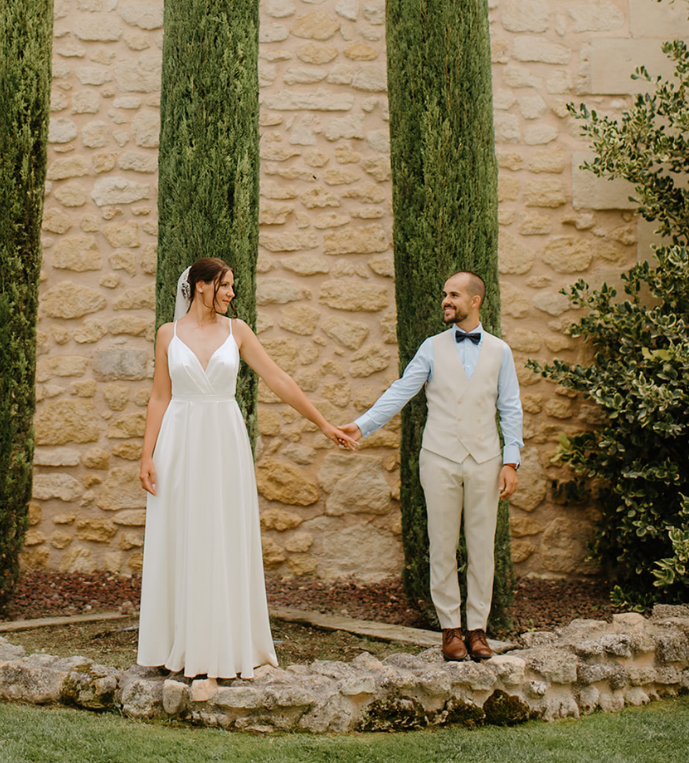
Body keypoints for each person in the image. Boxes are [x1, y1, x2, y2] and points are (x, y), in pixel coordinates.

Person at [137, 257, 357, 681]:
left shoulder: (237, 332)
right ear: (200, 286)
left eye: (232, 286)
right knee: (181, 534)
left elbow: (279, 379)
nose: (231, 293)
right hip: (178, 444)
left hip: (223, 441)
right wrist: (146, 455)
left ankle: (224, 644)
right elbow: (159, 397)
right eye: (224, 285)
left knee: (221, 533)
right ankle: (177, 645)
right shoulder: (168, 334)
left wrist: (324, 424)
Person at [335, 270, 522, 663]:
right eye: (444, 294)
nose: (445, 301)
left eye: (454, 295)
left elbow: (510, 408)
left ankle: (478, 630)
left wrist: (511, 460)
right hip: (438, 457)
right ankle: (450, 630)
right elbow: (402, 390)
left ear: (475, 301)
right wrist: (363, 424)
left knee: (482, 548)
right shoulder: (431, 347)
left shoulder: (500, 351)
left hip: (486, 460)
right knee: (441, 545)